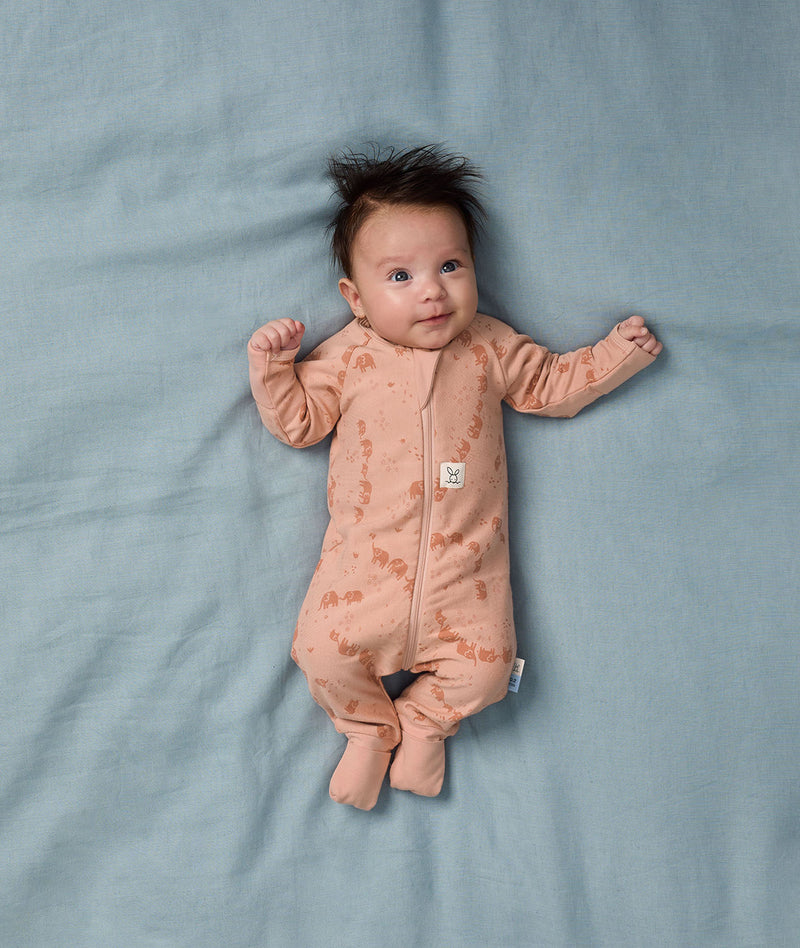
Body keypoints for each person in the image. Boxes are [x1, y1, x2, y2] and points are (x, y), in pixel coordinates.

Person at [247, 145, 661, 810]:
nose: (434, 290)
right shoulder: (345, 358)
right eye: (401, 277)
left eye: (449, 266)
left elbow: (550, 384)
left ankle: (422, 722)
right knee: (319, 654)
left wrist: (617, 356)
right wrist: (271, 369)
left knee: (492, 672)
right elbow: (299, 422)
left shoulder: (490, 346)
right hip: (361, 578)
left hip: (466, 579)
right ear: (355, 299)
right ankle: (367, 730)